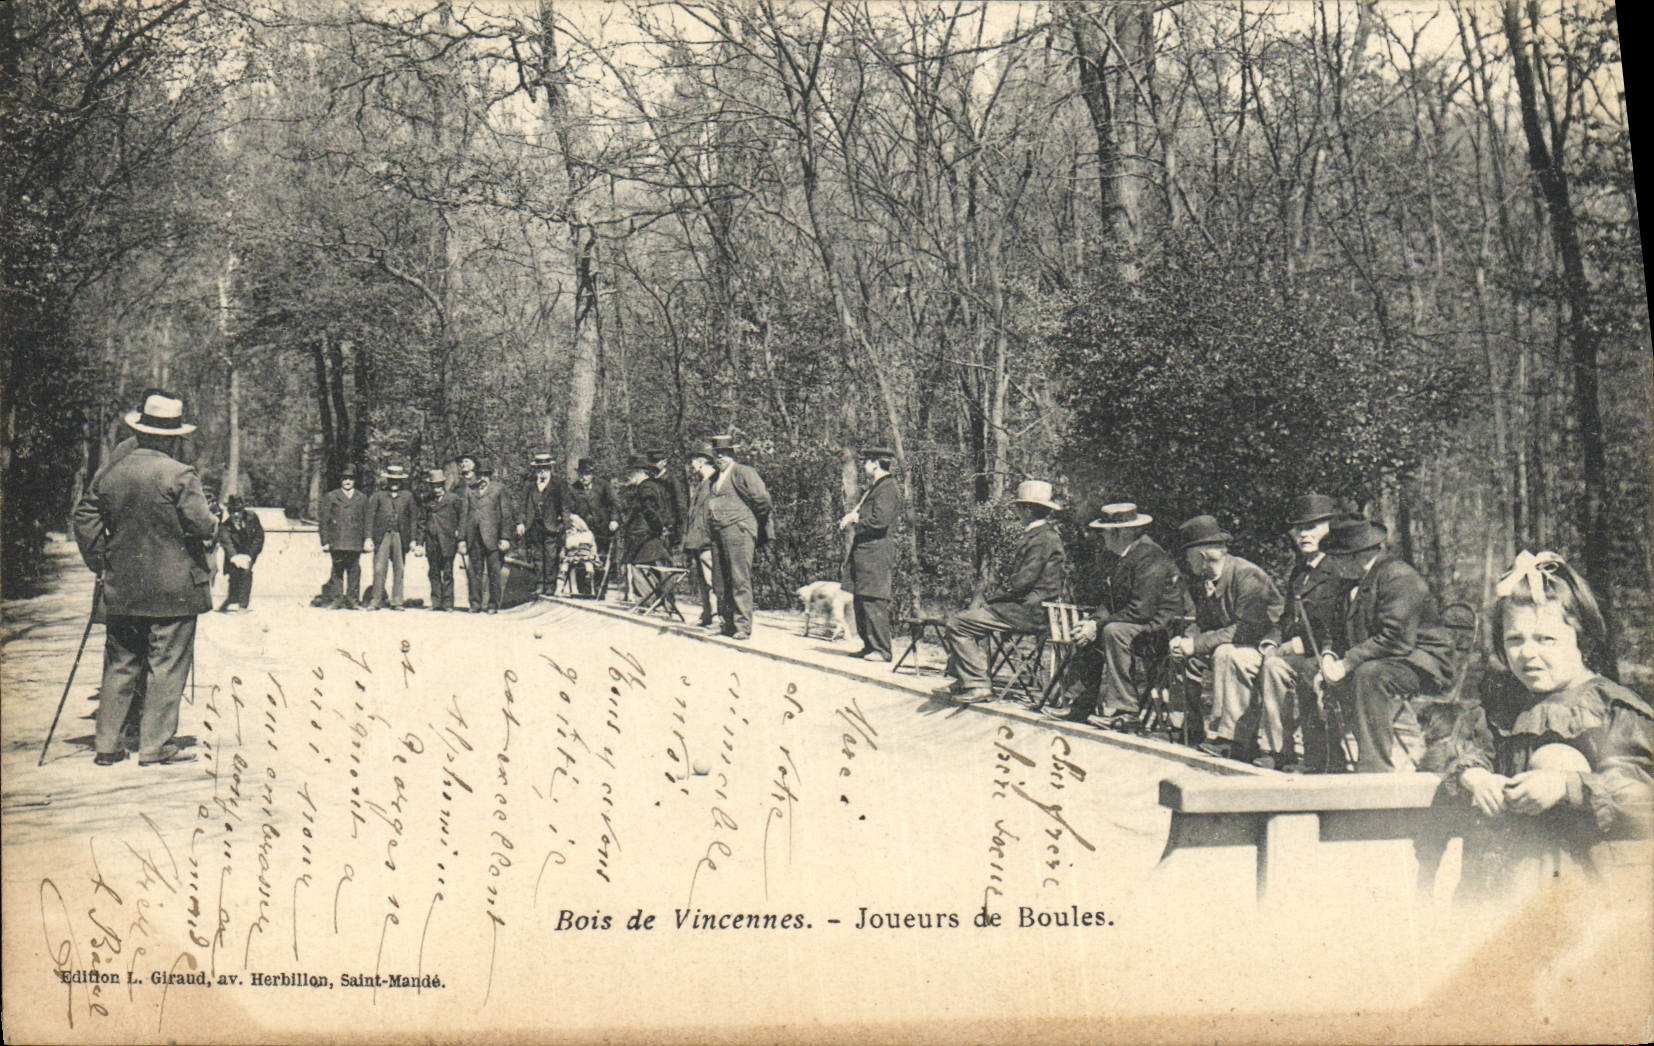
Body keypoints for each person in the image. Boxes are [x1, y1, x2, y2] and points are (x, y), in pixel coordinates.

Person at [1427, 551, 1652, 896]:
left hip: (1591, 882)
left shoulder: (1609, 709)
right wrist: (1476, 776)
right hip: (1506, 878)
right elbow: (1458, 749)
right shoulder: (1503, 702)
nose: (1527, 653)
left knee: (1557, 757)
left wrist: (1567, 788)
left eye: (1546, 639)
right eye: (1515, 640)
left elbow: (1642, 798)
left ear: (1582, 639)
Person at [71, 393, 216, 766]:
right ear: (172, 437)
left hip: (122, 587)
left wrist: (103, 562)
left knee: (120, 663)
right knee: (165, 665)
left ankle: (107, 745)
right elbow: (202, 525)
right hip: (174, 589)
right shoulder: (179, 474)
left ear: (141, 430)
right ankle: (154, 746)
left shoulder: (111, 472)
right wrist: (215, 523)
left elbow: (85, 520)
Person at [1318, 514, 1452, 772]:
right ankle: (1325, 762)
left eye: (1335, 557)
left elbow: (1397, 639)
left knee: (1369, 675)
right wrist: (1327, 657)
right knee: (1308, 670)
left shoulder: (1398, 576)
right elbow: (1334, 632)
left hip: (1419, 661)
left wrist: (1346, 663)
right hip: (1381, 659)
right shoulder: (1349, 583)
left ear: (1354, 555)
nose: (1332, 564)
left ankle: (1373, 768)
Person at [1249, 495, 1359, 770]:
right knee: (1273, 665)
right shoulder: (1300, 572)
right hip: (1302, 653)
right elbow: (1287, 619)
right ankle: (1279, 750)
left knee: (1308, 672)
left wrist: (1302, 646)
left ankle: (1321, 758)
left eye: (1312, 527)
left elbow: (1342, 624)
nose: (1304, 534)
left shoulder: (1340, 570)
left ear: (1330, 529)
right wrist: (1271, 642)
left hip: (1333, 654)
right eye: (1299, 529)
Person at [935, 480, 1068, 704]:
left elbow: (1022, 582)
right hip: (1026, 607)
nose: (1016, 512)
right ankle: (967, 679)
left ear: (1027, 509)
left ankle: (977, 684)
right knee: (972, 619)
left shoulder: (1043, 538)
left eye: (1018, 507)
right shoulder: (1042, 535)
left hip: (1030, 610)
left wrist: (993, 597)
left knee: (958, 623)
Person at [1055, 502, 1184, 724]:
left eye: (1105, 533)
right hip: (1137, 625)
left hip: (1160, 629)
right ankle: (1079, 705)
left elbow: (1142, 609)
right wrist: (1092, 622)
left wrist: (1099, 626)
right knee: (1087, 631)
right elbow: (1111, 602)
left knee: (1112, 631)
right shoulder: (1125, 556)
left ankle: (1125, 710)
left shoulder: (1150, 556)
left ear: (1121, 533)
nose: (1102, 538)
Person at [1167, 515, 1284, 760]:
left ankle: (1232, 738)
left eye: (1188, 557)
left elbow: (1243, 630)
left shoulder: (1247, 575)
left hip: (1265, 645)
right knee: (1185, 656)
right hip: (1234, 645)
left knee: (1225, 653)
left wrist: (1196, 644)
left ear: (1199, 556)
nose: (1187, 564)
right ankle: (1190, 726)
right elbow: (1202, 623)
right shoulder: (1206, 581)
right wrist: (1184, 641)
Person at [706, 434, 773, 640]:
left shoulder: (744, 472)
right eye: (717, 455)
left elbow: (762, 499)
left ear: (732, 455)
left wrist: (749, 521)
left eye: (724, 454)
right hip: (719, 533)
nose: (720, 459)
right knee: (720, 580)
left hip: (739, 530)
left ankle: (743, 626)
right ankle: (727, 624)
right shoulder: (714, 478)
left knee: (739, 579)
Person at [840, 445, 901, 662]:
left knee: (874, 600)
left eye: (867, 462)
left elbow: (880, 520)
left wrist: (856, 520)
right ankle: (868, 645)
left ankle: (882, 649)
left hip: (876, 553)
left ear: (876, 463)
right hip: (865, 553)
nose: (864, 466)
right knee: (861, 598)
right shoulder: (876, 487)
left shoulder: (888, 487)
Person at [459, 458, 512, 613]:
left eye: (485, 475)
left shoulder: (499, 489)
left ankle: (493, 604)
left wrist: (505, 537)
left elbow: (506, 515)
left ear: (489, 476)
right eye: (479, 474)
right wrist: (462, 539)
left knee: (494, 573)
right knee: (474, 572)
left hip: (493, 538)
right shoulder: (470, 490)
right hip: (473, 537)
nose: (482, 478)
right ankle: (475, 603)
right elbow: (464, 515)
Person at [366, 464, 418, 610]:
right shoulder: (378, 496)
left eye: (397, 480)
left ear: (401, 481)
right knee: (379, 569)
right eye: (392, 480)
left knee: (399, 569)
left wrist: (413, 539)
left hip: (400, 536)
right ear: (387, 481)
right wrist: (368, 537)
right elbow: (370, 517)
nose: (394, 483)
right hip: (382, 536)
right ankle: (376, 600)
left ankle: (397, 601)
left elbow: (413, 519)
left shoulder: (408, 496)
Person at [619, 455, 673, 599]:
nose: (630, 477)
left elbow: (650, 510)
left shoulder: (645, 487)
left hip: (643, 534)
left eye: (632, 473)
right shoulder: (655, 485)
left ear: (640, 472)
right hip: (648, 534)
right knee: (654, 568)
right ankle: (660, 600)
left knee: (639, 568)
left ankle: (648, 601)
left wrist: (658, 527)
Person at [516, 451, 566, 597]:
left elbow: (565, 506)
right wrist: (520, 522)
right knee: (537, 555)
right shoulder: (529, 485)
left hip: (551, 525)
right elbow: (522, 505)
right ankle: (539, 584)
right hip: (534, 525)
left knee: (551, 555)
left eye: (545, 468)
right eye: (539, 468)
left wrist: (564, 524)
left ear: (550, 468)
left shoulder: (558, 484)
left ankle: (550, 585)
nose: (542, 471)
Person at [319, 467, 369, 609]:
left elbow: (367, 521)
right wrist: (325, 541)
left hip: (355, 541)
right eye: (344, 478)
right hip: (338, 540)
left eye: (350, 479)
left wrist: (367, 539)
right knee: (337, 570)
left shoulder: (362, 498)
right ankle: (337, 599)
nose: (347, 481)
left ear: (354, 481)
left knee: (354, 571)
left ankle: (353, 599)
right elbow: (324, 521)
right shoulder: (331, 496)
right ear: (340, 480)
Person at [680, 445, 719, 626]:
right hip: (698, 540)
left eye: (694, 461)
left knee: (712, 580)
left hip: (707, 540)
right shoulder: (703, 483)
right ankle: (708, 614)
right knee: (703, 580)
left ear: (702, 461)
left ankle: (717, 616)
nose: (692, 465)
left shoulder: (714, 483)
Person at [567, 457, 619, 589]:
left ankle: (600, 589)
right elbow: (569, 509)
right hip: (583, 532)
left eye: (587, 474)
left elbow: (614, 504)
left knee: (601, 559)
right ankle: (583, 590)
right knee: (582, 558)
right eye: (581, 474)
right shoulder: (573, 489)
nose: (584, 477)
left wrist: (614, 520)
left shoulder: (603, 486)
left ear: (592, 474)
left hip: (602, 529)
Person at [420, 468, 463, 611]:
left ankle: (448, 604)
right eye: (434, 486)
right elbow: (422, 522)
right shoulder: (426, 500)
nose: (436, 489)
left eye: (439, 486)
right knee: (433, 572)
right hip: (432, 541)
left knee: (448, 572)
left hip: (448, 540)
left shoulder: (453, 499)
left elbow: (461, 518)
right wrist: (420, 542)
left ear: (443, 485)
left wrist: (459, 534)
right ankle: (436, 602)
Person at [216, 494, 265, 612]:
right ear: (229, 512)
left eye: (238, 511)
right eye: (233, 511)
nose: (236, 514)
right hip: (235, 554)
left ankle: (243, 605)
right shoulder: (225, 527)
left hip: (249, 551)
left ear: (243, 510)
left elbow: (259, 537)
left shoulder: (252, 518)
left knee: (246, 572)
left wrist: (250, 555)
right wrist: (234, 557)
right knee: (234, 575)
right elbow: (227, 544)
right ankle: (231, 599)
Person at [646, 448, 686, 551]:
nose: (654, 465)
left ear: (664, 462)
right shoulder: (650, 481)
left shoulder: (671, 480)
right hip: (655, 525)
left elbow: (680, 503)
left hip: (670, 525)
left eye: (657, 462)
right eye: (652, 462)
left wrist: (679, 527)